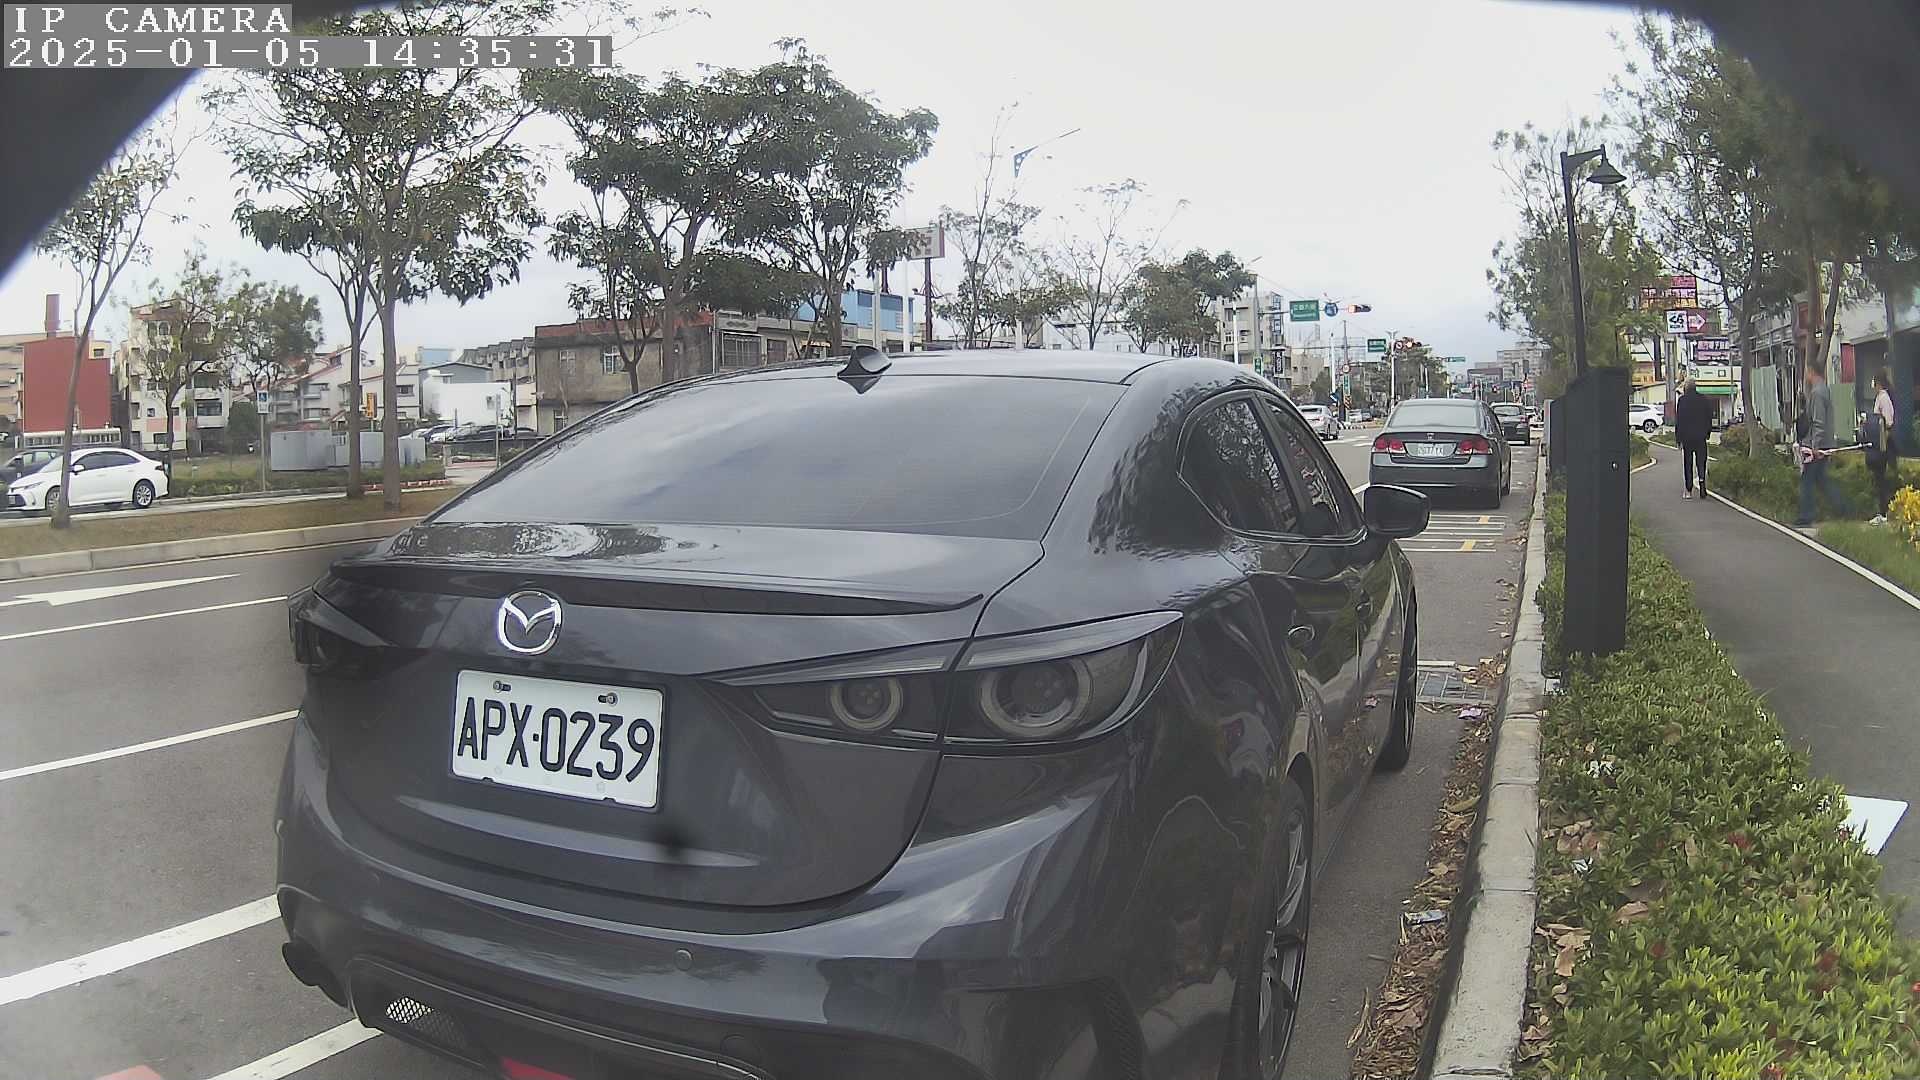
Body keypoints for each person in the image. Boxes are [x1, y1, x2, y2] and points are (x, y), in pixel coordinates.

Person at [1796, 352, 1852, 527]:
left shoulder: (1817, 393)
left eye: (1807, 372)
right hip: (1823, 444)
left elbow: (1818, 422)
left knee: (1807, 480)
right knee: (1822, 480)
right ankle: (1844, 509)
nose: (1806, 375)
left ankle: (1807, 515)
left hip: (1818, 446)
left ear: (1812, 371)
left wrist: (1815, 446)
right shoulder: (1823, 390)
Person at [1865, 369, 1900, 525]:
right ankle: (1882, 511)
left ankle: (1884, 512)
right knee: (1878, 478)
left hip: (1883, 444)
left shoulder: (1884, 398)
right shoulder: (1879, 397)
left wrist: (1882, 438)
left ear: (1877, 382)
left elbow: (1888, 421)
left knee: (1881, 477)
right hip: (1878, 443)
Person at [1674, 377, 1713, 499]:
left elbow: (1679, 420)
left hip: (1687, 437)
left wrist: (1678, 438)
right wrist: (1708, 432)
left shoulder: (1682, 400)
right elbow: (1709, 417)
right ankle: (1702, 483)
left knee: (1688, 463)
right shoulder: (1704, 399)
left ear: (1686, 387)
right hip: (1701, 437)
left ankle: (1689, 489)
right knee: (1701, 462)